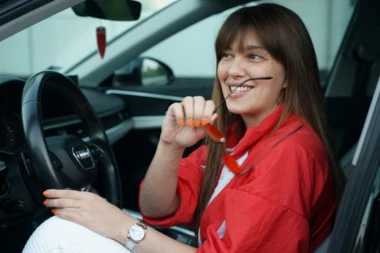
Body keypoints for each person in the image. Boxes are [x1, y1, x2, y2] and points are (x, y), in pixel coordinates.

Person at [23, 3, 346, 253]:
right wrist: (170, 145)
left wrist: (124, 227)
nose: (233, 70)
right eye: (226, 55)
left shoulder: (289, 153)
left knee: (59, 234)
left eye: (255, 57)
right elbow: (157, 208)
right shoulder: (235, 137)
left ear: (289, 74)